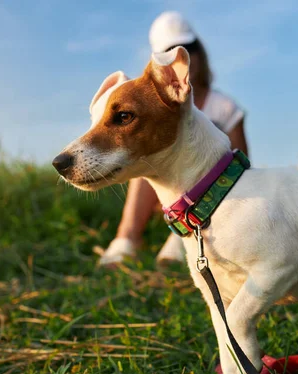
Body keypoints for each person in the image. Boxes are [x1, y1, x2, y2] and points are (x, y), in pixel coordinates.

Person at [99, 11, 249, 266]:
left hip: (212, 192)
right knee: (147, 157)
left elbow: (242, 164)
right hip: (168, 186)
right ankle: (128, 236)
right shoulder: (153, 109)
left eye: (186, 48)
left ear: (198, 51)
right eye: (167, 51)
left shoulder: (225, 108)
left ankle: (184, 234)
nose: (180, 57)